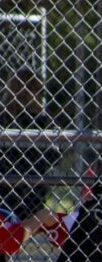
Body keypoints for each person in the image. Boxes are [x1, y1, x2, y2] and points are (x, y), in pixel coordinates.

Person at [0, 68, 62, 233]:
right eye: (39, 92)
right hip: (32, 195)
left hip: (6, 192)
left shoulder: (3, 118)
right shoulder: (42, 122)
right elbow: (55, 155)